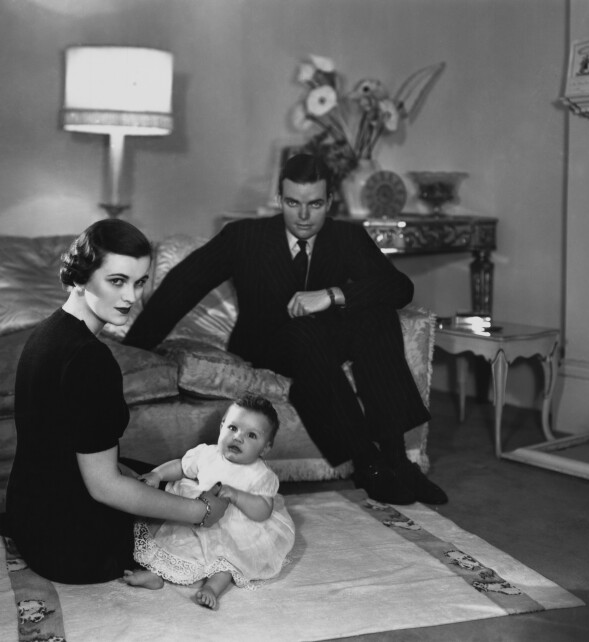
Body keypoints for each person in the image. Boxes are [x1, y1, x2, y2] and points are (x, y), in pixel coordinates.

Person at [124, 153, 447, 506]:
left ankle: (398, 460)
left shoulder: (347, 237)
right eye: (293, 203)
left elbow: (399, 287)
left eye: (315, 204)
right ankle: (368, 463)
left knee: (378, 316)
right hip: (267, 343)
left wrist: (332, 295)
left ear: (330, 201)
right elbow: (182, 286)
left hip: (326, 338)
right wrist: (133, 348)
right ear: (279, 199)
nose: (304, 215)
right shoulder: (245, 236)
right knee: (304, 334)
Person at [5, 219, 229, 584]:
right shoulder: (91, 359)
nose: (131, 297)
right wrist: (199, 512)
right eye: (117, 281)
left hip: (28, 517)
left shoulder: (46, 332)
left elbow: (61, 447)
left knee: (167, 476)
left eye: (139, 282)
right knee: (207, 514)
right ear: (80, 278)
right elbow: (104, 486)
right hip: (70, 548)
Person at [125, 393, 296, 610]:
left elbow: (263, 510)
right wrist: (157, 474)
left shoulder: (261, 474)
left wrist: (237, 496)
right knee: (172, 539)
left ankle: (212, 588)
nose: (238, 437)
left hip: (234, 527)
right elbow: (181, 466)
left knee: (227, 561)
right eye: (233, 428)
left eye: (251, 435)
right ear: (222, 426)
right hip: (198, 514)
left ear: (265, 448)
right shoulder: (207, 453)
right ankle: (155, 574)